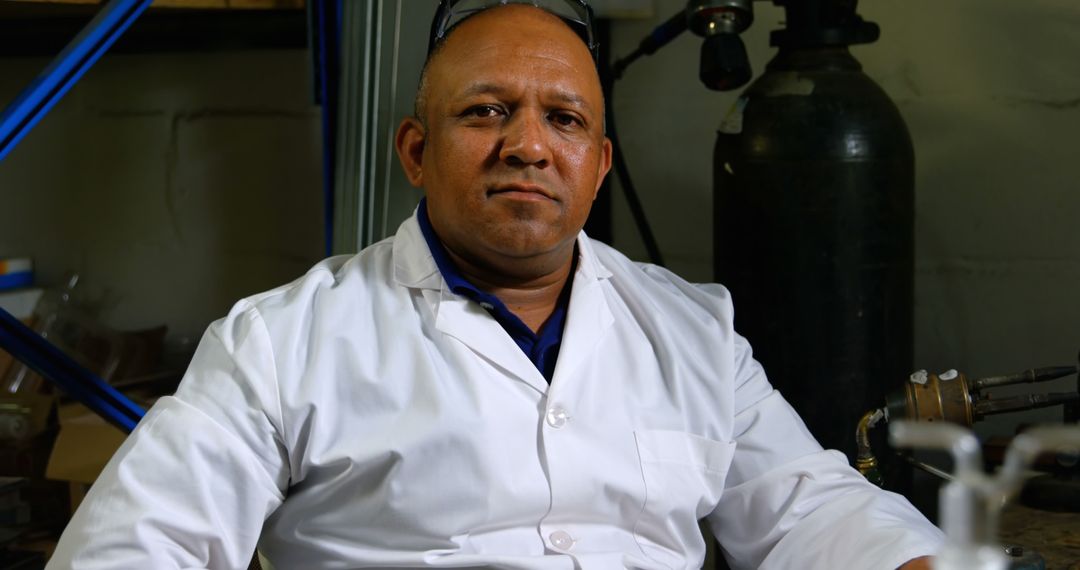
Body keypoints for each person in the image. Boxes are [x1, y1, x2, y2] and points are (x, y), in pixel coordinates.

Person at [48, 1, 943, 568]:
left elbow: (808, 511)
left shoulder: (693, 332)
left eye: (563, 119)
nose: (527, 144)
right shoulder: (281, 342)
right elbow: (137, 543)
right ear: (414, 152)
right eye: (485, 111)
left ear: (597, 168)